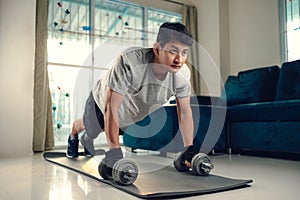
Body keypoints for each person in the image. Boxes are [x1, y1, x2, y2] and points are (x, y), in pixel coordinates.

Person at [67, 22, 198, 178]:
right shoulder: (130, 62)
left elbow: (184, 112)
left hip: (130, 113)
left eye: (184, 52)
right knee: (92, 127)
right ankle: (76, 133)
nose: (179, 59)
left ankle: (88, 138)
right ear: (157, 49)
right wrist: (114, 152)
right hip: (102, 101)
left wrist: (189, 148)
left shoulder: (182, 75)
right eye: (173, 51)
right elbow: (111, 107)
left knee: (105, 128)